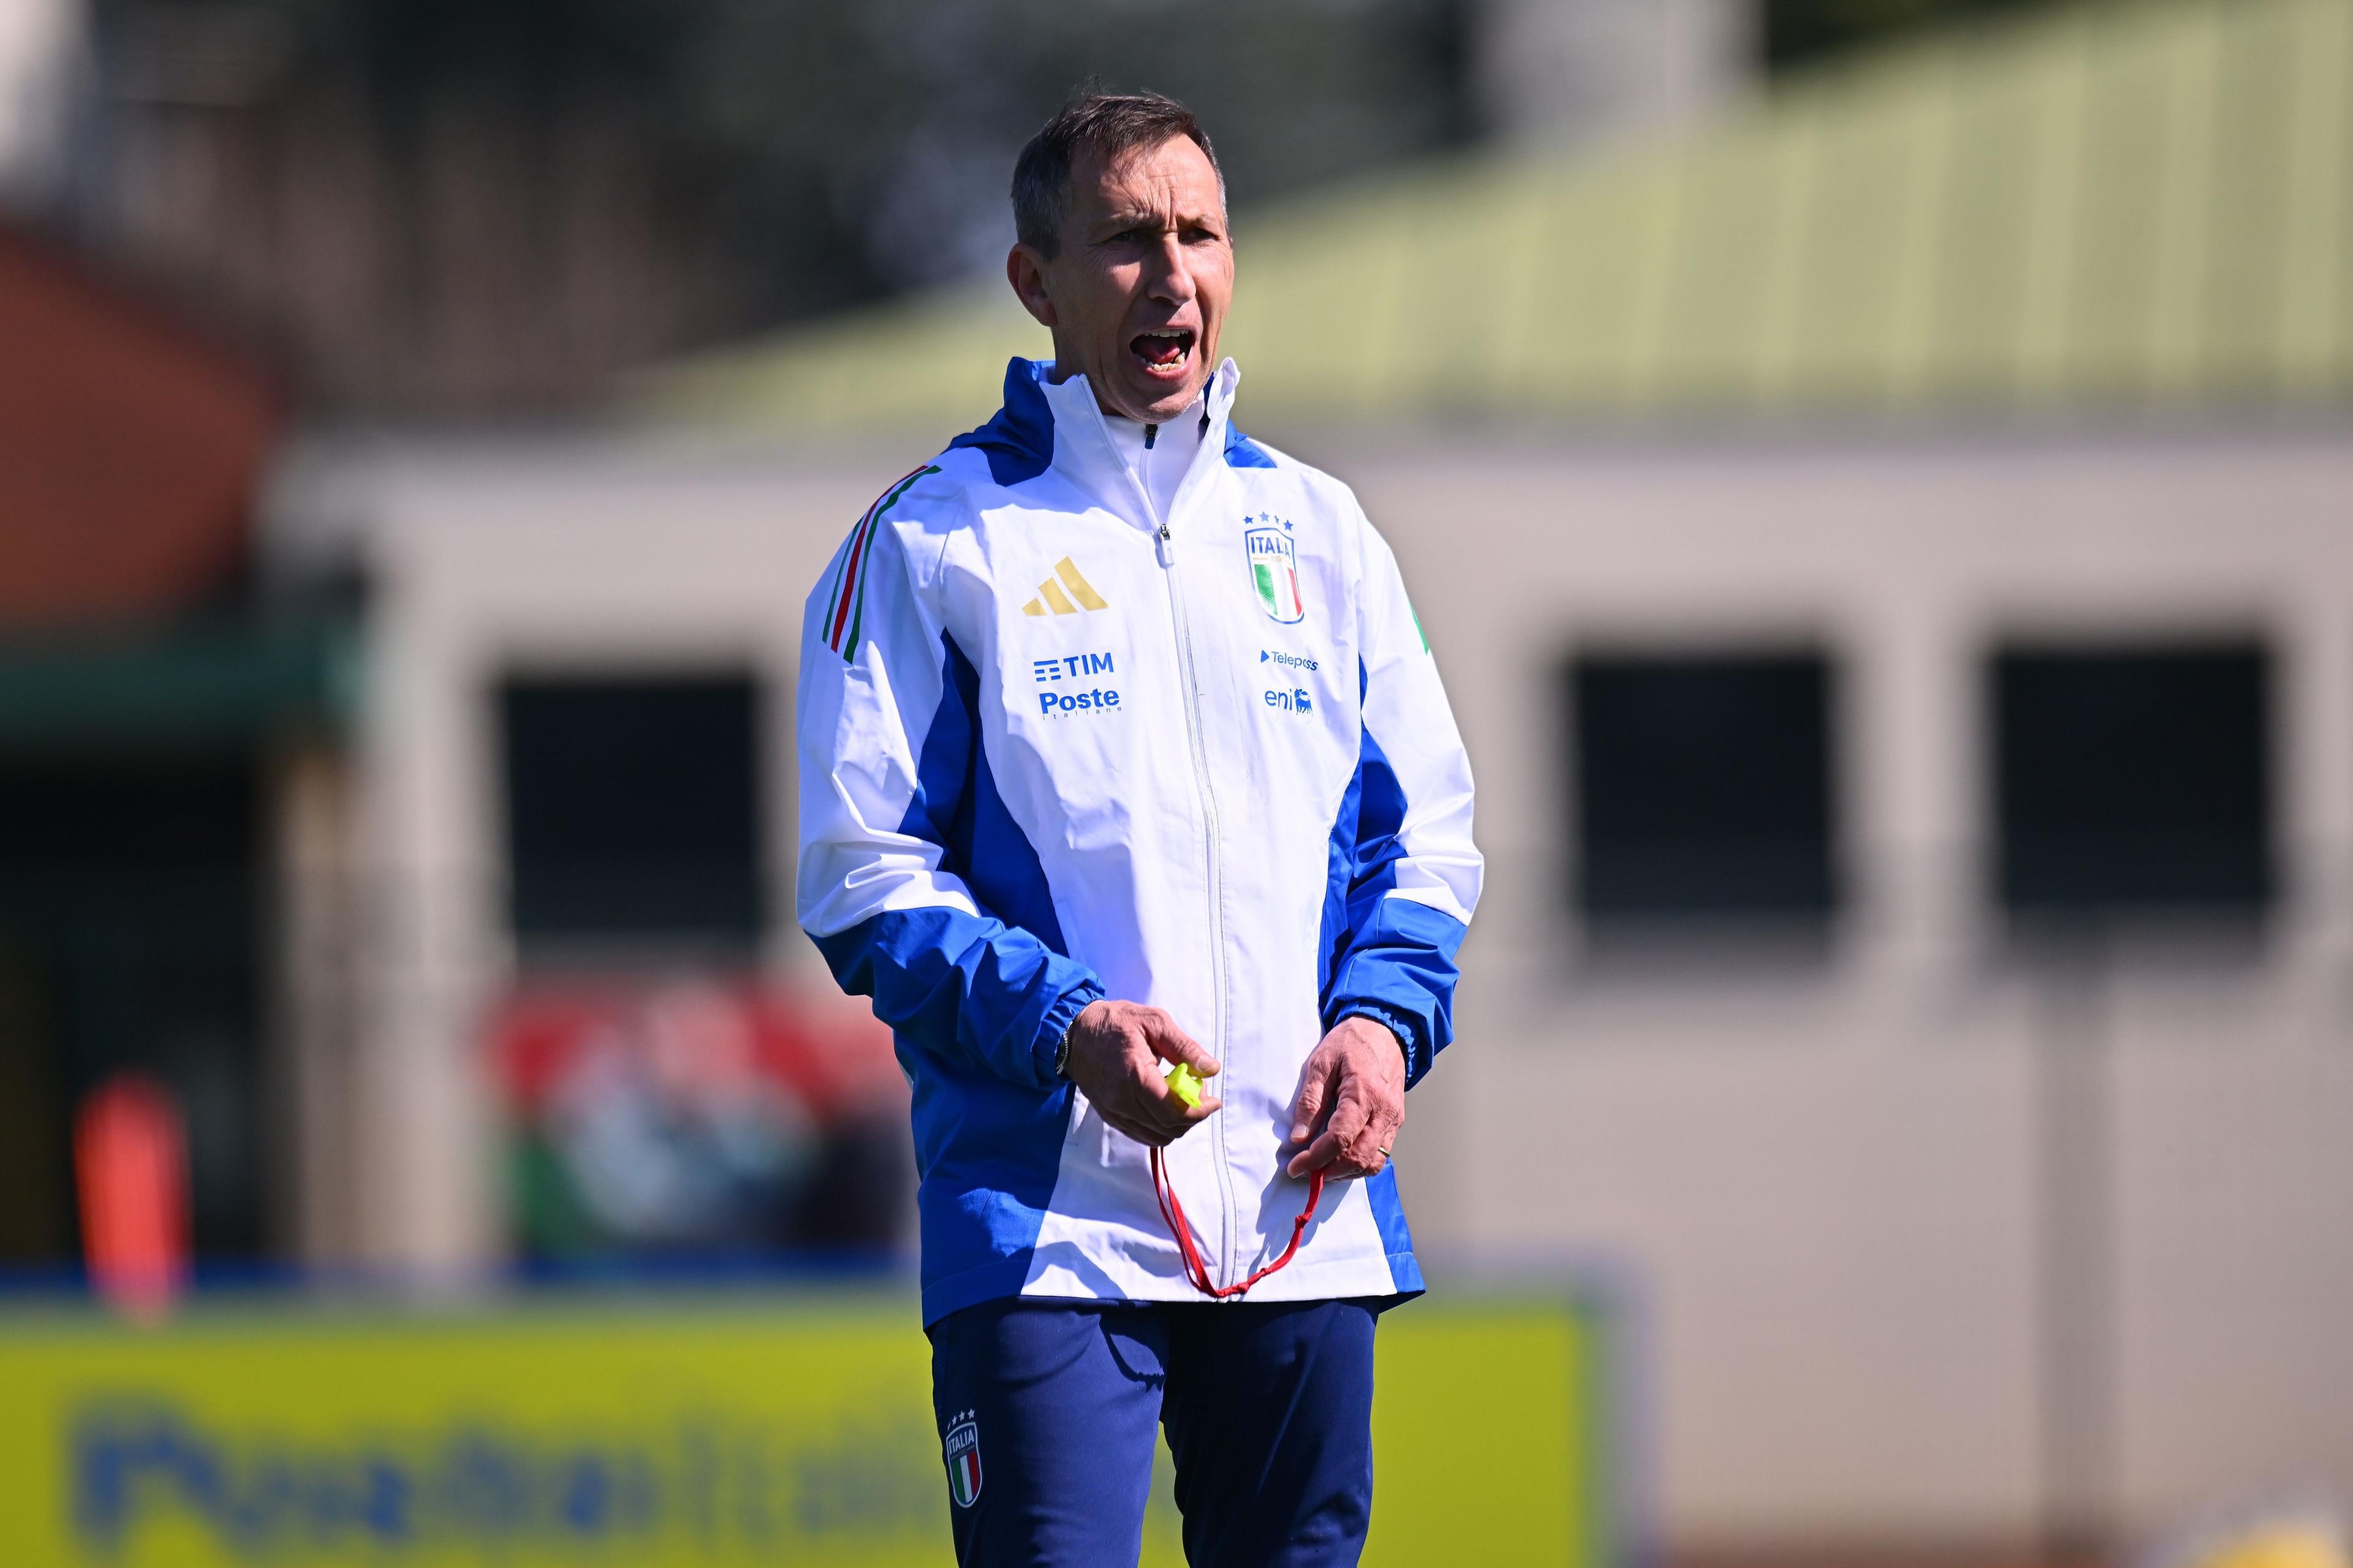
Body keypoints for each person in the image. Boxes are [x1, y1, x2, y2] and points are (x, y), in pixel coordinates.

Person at [796, 89, 1480, 1567]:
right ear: (1034, 281)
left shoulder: (1325, 531)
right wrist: (1065, 1028)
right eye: (1123, 240)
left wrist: (1377, 1026)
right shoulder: (931, 541)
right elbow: (860, 877)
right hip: (1048, 1235)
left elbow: (1427, 838)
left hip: (1304, 1211)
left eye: (1200, 233)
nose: (1173, 275)